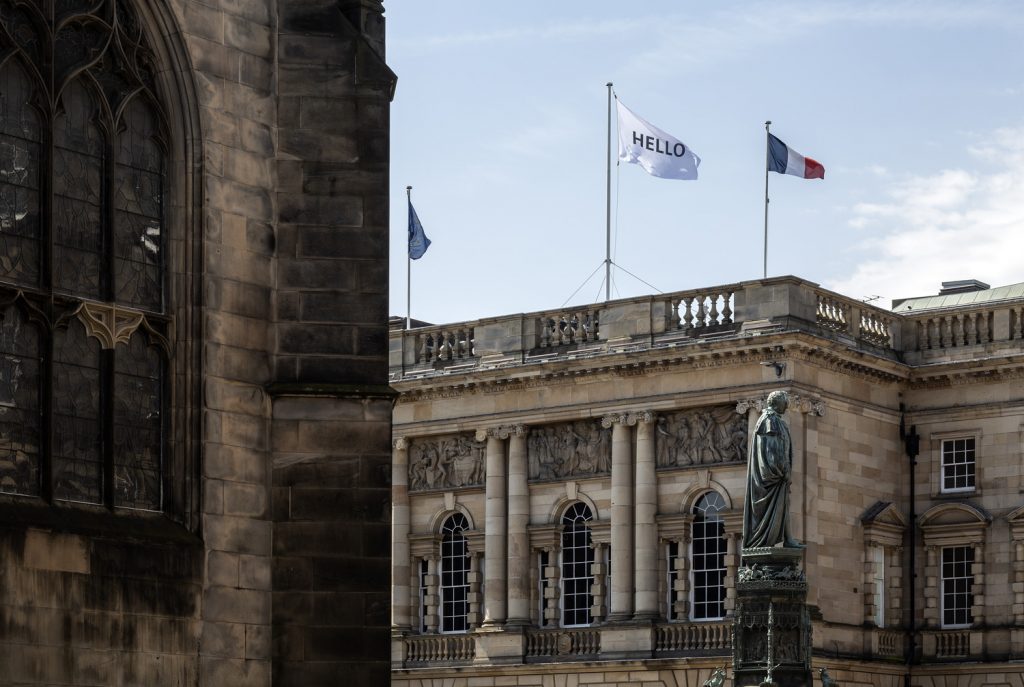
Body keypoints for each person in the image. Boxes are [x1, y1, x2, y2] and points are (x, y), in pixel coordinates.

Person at [742, 390, 802, 549]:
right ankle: (767, 542)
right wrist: (782, 471)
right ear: (777, 403)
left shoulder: (776, 420)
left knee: (784, 506)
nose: (787, 405)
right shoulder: (770, 420)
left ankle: (788, 539)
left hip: (777, 476)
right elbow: (772, 451)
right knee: (778, 507)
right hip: (772, 477)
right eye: (785, 402)